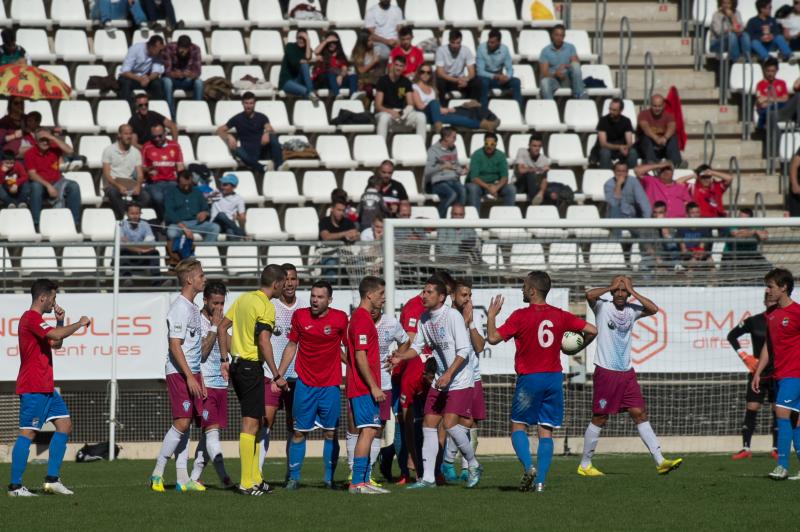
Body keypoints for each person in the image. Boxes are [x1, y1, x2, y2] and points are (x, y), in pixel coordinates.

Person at [485, 271, 597, 492]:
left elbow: (493, 338)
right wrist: (575, 347)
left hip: (530, 379)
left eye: (524, 285)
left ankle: (529, 467)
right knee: (546, 430)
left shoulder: (520, 316)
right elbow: (592, 330)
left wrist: (491, 316)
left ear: (532, 290)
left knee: (518, 426)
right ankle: (540, 483)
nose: (522, 289)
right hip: (554, 378)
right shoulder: (560, 315)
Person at [578, 276, 683, 477]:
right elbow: (588, 295)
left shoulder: (631, 311)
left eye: (623, 290)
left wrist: (633, 291)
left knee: (639, 413)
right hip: (606, 372)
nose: (620, 293)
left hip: (626, 373)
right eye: (617, 290)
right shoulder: (602, 307)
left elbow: (653, 309)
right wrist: (611, 285)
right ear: (611, 291)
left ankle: (660, 461)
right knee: (600, 418)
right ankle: (585, 464)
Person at [391, 277, 482, 489]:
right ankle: (429, 478)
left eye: (429, 292)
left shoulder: (451, 316)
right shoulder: (424, 318)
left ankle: (474, 463)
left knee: (450, 424)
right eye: (423, 291)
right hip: (442, 379)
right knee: (428, 424)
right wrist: (400, 357)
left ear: (441, 297)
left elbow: (464, 351)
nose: (424, 295)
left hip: (459, 379)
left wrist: (449, 374)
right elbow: (417, 347)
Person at [7, 279, 90, 497]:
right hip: (33, 387)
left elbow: (56, 343)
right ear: (42, 298)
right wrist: (79, 323)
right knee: (28, 433)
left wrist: (60, 320)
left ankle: (52, 480)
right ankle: (15, 486)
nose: (54, 303)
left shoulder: (39, 321)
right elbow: (55, 336)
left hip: (46, 387)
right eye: (52, 298)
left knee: (65, 426)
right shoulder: (30, 318)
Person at [218, 264, 287, 496]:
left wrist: (224, 358)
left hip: (238, 366)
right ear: (276, 284)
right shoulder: (266, 306)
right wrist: (277, 374)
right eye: (284, 283)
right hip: (250, 368)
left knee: (256, 421)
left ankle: (256, 478)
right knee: (250, 423)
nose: (284, 287)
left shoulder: (244, 299)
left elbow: (222, 327)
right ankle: (246, 483)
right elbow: (264, 341)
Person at [276, 280, 348, 490]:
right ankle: (294, 478)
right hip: (305, 385)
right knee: (299, 432)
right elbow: (291, 345)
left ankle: (328, 479)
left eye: (320, 297)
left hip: (330, 386)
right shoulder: (300, 316)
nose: (315, 300)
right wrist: (279, 374)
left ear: (329, 300)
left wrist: (355, 366)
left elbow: (347, 348)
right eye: (313, 296)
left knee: (330, 432)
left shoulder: (340, 318)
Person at [149, 259, 208, 493]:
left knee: (187, 424)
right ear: (189, 280)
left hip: (193, 372)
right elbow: (175, 346)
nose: (205, 278)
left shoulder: (193, 307)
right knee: (181, 422)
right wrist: (190, 377)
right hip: (179, 372)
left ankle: (183, 479)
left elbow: (193, 346)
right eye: (201, 275)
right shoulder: (179, 308)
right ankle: (157, 473)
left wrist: (198, 375)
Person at [258, 264, 307, 476]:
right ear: (279, 282)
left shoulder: (305, 307)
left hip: (297, 377)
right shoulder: (271, 306)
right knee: (265, 422)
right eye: (286, 279)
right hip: (271, 375)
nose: (290, 283)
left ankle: (291, 473)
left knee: (295, 426)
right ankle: (255, 473)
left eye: (294, 279)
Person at [753, 268, 800, 479]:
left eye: (771, 286)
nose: (768, 290)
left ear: (784, 287)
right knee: (795, 421)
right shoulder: (771, 315)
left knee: (781, 413)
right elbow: (768, 346)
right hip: (780, 374)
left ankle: (782, 466)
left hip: (796, 373)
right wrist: (758, 372)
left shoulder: (798, 312)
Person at [346, 276, 391, 494]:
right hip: (363, 388)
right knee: (367, 431)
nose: (384, 298)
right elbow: (360, 356)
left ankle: (363, 480)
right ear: (370, 295)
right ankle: (357, 482)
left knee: (371, 430)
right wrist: (373, 386)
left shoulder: (360, 318)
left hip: (363, 386)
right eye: (381, 294)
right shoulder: (362, 319)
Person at [188, 281, 234, 489]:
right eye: (215, 303)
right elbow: (202, 352)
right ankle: (224, 477)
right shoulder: (196, 320)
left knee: (209, 434)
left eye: (222, 303)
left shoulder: (222, 321)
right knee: (212, 432)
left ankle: (194, 477)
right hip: (204, 383)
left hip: (221, 384)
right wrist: (216, 326)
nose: (219, 307)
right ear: (205, 300)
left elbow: (232, 347)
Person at [442, 278, 486, 483]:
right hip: (453, 376)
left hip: (472, 376)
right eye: (464, 294)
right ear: (453, 296)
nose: (468, 298)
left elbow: (479, 347)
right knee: (453, 421)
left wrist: (470, 323)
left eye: (470, 295)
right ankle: (449, 461)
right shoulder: (446, 316)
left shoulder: (470, 316)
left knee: (468, 421)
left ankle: (466, 467)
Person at [727, 293, 779, 460]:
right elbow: (732, 335)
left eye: (774, 300)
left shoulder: (784, 320)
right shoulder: (754, 321)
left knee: (778, 410)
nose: (771, 302)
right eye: (769, 299)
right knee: (752, 407)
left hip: (779, 371)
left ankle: (777, 448)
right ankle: (746, 448)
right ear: (764, 301)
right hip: (758, 371)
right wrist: (745, 357)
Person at [368, 291, 410, 482]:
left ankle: (370, 470)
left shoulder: (391, 323)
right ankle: (358, 471)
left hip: (384, 383)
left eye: (378, 307)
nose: (374, 310)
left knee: (379, 427)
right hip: (361, 384)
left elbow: (405, 341)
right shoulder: (358, 322)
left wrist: (396, 358)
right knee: (360, 428)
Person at [24, 128, 81, 230]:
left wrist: (52, 137)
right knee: (35, 186)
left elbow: (70, 151)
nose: (45, 142)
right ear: (36, 141)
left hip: (57, 181)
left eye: (47, 139)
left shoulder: (54, 149)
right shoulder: (29, 153)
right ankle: (36, 223)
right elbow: (32, 175)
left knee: (74, 186)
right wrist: (48, 186)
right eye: (42, 139)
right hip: (41, 184)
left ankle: (75, 223)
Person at [216, 92, 283, 175]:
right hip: (248, 153)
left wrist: (267, 132)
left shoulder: (262, 117)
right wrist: (228, 136)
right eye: (246, 103)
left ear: (255, 104)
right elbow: (219, 130)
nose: (248, 106)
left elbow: (270, 129)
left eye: (251, 103)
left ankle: (279, 166)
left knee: (272, 136)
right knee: (236, 150)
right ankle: (262, 168)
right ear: (242, 103)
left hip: (262, 150)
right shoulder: (237, 118)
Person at [411, 65, 482, 133]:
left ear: (431, 75)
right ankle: (438, 125)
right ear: (418, 73)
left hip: (436, 115)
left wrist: (446, 110)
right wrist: (442, 109)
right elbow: (420, 106)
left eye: (428, 72)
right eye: (422, 72)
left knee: (457, 117)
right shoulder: (414, 87)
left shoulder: (433, 89)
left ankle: (482, 124)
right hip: (423, 115)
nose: (425, 74)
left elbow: (439, 107)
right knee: (434, 103)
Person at [103, 124, 150, 220]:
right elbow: (107, 174)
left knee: (146, 197)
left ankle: (131, 212)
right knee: (113, 192)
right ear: (119, 135)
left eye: (130, 134)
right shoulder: (109, 150)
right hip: (113, 184)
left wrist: (138, 185)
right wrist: (118, 186)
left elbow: (140, 174)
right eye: (126, 134)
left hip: (130, 184)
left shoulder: (135, 152)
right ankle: (124, 216)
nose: (129, 136)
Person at [375, 56, 427, 139]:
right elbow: (378, 106)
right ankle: (381, 149)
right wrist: (391, 112)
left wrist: (404, 112)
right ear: (392, 65)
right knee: (384, 118)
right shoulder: (383, 80)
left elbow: (410, 103)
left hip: (401, 113)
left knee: (421, 116)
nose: (398, 68)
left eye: (401, 66)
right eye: (396, 65)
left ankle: (420, 147)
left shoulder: (406, 81)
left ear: (405, 67)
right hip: (386, 112)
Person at [142, 123, 184, 220]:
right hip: (154, 183)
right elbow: (142, 167)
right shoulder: (147, 146)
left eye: (160, 136)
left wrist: (181, 182)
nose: (157, 139)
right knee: (158, 197)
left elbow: (180, 166)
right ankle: (164, 220)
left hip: (172, 181)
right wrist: (148, 170)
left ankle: (170, 220)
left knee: (171, 196)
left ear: (165, 134)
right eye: (154, 136)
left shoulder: (175, 146)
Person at [165, 170, 220, 243]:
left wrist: (204, 213)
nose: (186, 187)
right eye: (184, 185)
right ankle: (180, 250)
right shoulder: (171, 193)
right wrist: (184, 228)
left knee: (215, 227)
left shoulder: (197, 192)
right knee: (171, 233)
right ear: (178, 182)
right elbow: (170, 212)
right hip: (178, 224)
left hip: (196, 222)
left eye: (189, 184)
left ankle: (206, 248)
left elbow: (206, 209)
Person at [424, 127, 468, 218]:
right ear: (446, 137)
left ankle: (459, 218)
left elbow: (456, 165)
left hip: (453, 179)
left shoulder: (453, 148)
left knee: (463, 191)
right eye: (454, 137)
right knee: (452, 194)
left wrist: (462, 171)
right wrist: (442, 166)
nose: (455, 140)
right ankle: (441, 220)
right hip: (439, 182)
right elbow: (427, 171)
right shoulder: (433, 150)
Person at [466, 132, 516, 211]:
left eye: (492, 144)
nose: (489, 147)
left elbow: (504, 177)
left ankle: (508, 217)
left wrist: (496, 187)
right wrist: (489, 187)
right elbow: (474, 178)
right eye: (487, 144)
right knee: (473, 188)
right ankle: (474, 220)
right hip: (480, 185)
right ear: (484, 143)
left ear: (496, 144)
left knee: (511, 189)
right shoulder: (477, 155)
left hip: (495, 185)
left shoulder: (501, 155)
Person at [477, 29, 523, 111]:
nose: (490, 44)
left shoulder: (504, 49)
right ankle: (483, 111)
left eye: (493, 42)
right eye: (489, 42)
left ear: (499, 42)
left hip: (499, 78)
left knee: (516, 82)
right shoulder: (481, 48)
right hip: (486, 77)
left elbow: (509, 68)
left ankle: (518, 110)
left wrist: (507, 77)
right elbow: (480, 71)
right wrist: (495, 76)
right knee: (483, 83)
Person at [434, 30, 482, 106]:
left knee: (477, 82)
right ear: (449, 41)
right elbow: (440, 73)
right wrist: (457, 80)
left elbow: (472, 72)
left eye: (458, 43)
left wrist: (466, 79)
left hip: (461, 80)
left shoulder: (466, 50)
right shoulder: (441, 50)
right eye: (453, 43)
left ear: (461, 41)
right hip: (448, 80)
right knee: (440, 82)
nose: (455, 46)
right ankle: (443, 107)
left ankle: (473, 107)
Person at [162, 35, 203, 120]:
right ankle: (172, 116)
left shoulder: (195, 49)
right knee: (166, 82)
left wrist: (190, 74)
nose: (182, 51)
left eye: (185, 48)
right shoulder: (169, 48)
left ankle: (197, 113)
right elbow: (166, 71)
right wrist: (175, 74)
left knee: (199, 83)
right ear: (177, 46)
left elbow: (197, 71)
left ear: (189, 47)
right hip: (172, 79)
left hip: (187, 80)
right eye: (181, 48)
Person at [539, 24, 585, 100]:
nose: (559, 38)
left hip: (567, 79)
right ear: (552, 35)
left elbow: (575, 63)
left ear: (564, 36)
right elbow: (544, 73)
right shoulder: (545, 51)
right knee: (544, 82)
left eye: (561, 35)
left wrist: (565, 66)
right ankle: (550, 108)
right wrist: (555, 74)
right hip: (554, 80)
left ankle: (579, 96)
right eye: (556, 35)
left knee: (575, 65)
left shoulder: (570, 47)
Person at [318, 197, 359, 279]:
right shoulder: (324, 221)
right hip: (329, 253)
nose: (341, 213)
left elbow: (355, 234)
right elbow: (326, 237)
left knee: (359, 263)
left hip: (346, 254)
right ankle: (331, 288)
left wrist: (355, 236)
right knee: (331, 263)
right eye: (339, 210)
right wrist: (345, 234)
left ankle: (356, 288)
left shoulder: (348, 222)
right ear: (332, 209)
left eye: (343, 210)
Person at [118, 35, 166, 105]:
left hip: (146, 78)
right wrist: (139, 79)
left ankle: (156, 108)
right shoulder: (135, 49)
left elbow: (156, 71)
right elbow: (125, 71)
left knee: (157, 84)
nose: (161, 52)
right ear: (152, 47)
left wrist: (148, 79)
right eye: (159, 50)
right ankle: (127, 109)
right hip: (132, 77)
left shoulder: (158, 54)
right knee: (125, 83)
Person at [119, 203, 160, 282]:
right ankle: (126, 279)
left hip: (141, 255)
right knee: (124, 252)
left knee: (155, 252)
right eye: (132, 213)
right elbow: (122, 244)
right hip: (128, 256)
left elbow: (152, 242)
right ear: (127, 214)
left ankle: (157, 281)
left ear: (140, 213)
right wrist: (140, 249)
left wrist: (130, 245)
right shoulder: (121, 224)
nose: (135, 216)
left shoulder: (145, 224)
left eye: (137, 213)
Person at [636, 94, 681, 165]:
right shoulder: (643, 114)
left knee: (673, 138)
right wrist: (656, 138)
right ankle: (652, 163)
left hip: (662, 145)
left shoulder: (669, 116)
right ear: (651, 105)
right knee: (645, 138)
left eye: (659, 106)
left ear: (663, 105)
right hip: (646, 146)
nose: (657, 109)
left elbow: (672, 127)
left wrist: (665, 138)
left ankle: (676, 163)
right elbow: (645, 128)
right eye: (655, 106)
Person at [593, 98, 638, 169]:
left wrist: (626, 148)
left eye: (614, 110)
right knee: (605, 153)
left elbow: (629, 142)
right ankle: (605, 176)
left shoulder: (626, 121)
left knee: (632, 152)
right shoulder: (603, 121)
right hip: (607, 148)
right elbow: (603, 144)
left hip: (621, 148)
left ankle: (632, 175)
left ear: (621, 110)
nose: (611, 111)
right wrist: (619, 147)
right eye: (610, 109)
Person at [313, 31, 358, 98]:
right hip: (325, 80)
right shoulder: (322, 54)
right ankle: (337, 95)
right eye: (330, 43)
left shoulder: (340, 55)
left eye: (334, 43)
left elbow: (344, 69)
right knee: (331, 73)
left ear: (337, 44)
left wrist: (341, 76)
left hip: (337, 79)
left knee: (353, 76)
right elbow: (316, 52)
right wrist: (326, 40)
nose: (332, 44)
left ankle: (353, 96)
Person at [278, 31, 316, 100]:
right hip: (287, 81)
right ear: (296, 38)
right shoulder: (290, 46)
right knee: (305, 90)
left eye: (304, 38)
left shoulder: (307, 50)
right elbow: (294, 62)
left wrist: (308, 40)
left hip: (298, 80)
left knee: (304, 65)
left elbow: (307, 57)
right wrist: (305, 61)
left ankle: (311, 92)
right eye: (299, 38)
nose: (301, 40)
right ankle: (310, 92)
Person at [513, 134, 551, 204]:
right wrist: (539, 169)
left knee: (550, 193)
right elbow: (521, 170)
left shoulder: (544, 160)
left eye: (539, 146)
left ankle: (536, 201)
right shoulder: (522, 152)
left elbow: (544, 180)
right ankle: (534, 202)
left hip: (534, 186)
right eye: (534, 146)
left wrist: (541, 193)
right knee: (530, 174)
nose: (537, 148)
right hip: (519, 185)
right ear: (529, 145)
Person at [210, 173, 246, 239]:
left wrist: (237, 218)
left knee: (231, 232)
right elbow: (204, 197)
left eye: (225, 185)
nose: (222, 187)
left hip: (228, 225)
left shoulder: (239, 199)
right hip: (215, 224)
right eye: (222, 184)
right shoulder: (216, 193)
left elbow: (242, 218)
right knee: (221, 215)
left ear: (234, 187)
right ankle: (241, 233)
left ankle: (235, 248)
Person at [352, 30, 385, 100]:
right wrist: (373, 62)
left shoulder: (376, 49)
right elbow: (361, 71)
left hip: (376, 77)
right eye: (369, 41)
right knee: (369, 89)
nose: (372, 42)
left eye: (372, 40)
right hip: (364, 79)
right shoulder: (357, 53)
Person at [755, 57, 788, 129]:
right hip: (767, 111)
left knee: (781, 105)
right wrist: (778, 100)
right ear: (764, 71)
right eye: (768, 71)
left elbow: (785, 99)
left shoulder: (782, 83)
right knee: (767, 110)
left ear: (777, 71)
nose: (770, 74)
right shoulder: (760, 84)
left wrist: (768, 99)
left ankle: (761, 124)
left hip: (778, 110)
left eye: (773, 71)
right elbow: (761, 102)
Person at [678, 202, 712, 268]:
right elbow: (683, 250)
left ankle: (714, 278)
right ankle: (690, 277)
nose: (696, 215)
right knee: (692, 262)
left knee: (711, 261)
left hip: (701, 256)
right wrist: (693, 255)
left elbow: (702, 247)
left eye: (697, 212)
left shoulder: (704, 228)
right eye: (693, 213)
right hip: (687, 257)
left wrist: (700, 254)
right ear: (687, 215)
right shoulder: (681, 229)